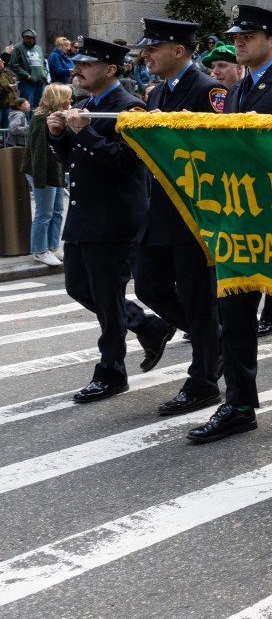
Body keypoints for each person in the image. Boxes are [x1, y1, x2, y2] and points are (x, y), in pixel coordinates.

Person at [186, 4, 272, 445]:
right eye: (237, 36)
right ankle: (239, 404)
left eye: (249, 35)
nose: (239, 41)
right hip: (241, 222)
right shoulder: (235, 91)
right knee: (235, 316)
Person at [46, 37, 176, 403]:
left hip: (114, 218)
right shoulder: (87, 106)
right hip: (85, 216)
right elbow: (69, 158)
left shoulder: (129, 108)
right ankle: (149, 326)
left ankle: (111, 373)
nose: (77, 69)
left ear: (110, 69)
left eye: (86, 64)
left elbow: (125, 161)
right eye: (78, 64)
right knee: (78, 287)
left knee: (106, 297)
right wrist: (57, 134)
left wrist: (81, 131)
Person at [133, 18, 229, 416]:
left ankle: (204, 379)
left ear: (178, 50)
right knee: (149, 287)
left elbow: (222, 150)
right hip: (160, 209)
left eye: (153, 48)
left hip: (195, 212)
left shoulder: (210, 91)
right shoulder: (156, 95)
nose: (145, 55)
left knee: (197, 296)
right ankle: (215, 341)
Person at [20, 83, 68, 266]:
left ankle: (53, 246)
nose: (69, 101)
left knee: (57, 211)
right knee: (45, 212)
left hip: (53, 171)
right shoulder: (42, 118)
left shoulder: (52, 117)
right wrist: (40, 179)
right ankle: (40, 250)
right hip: (43, 172)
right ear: (58, 99)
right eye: (67, 97)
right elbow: (38, 152)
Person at [10, 29, 47, 109]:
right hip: (26, 82)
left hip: (40, 82)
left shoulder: (38, 48)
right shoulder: (18, 48)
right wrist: (27, 75)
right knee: (26, 106)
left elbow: (43, 63)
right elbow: (14, 65)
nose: (28, 40)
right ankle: (26, 121)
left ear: (34, 39)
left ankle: (36, 121)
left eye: (30, 38)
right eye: (25, 38)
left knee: (39, 106)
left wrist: (45, 73)